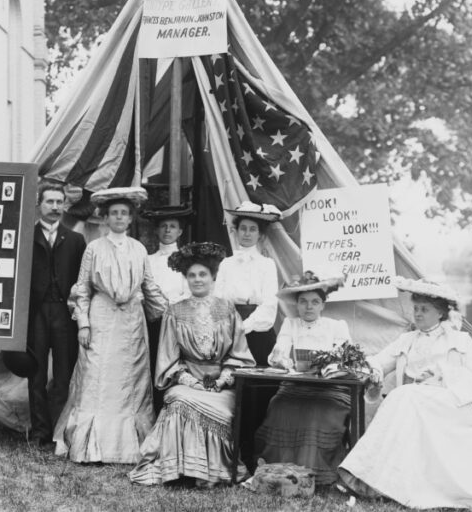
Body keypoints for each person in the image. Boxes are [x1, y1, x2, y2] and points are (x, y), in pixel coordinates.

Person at [338, 278, 472, 512]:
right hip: (414, 402)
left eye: (424, 309)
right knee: (404, 397)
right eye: (415, 308)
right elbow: (379, 361)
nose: (418, 314)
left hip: (450, 404)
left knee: (403, 396)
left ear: (440, 313)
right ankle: (370, 479)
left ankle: (366, 477)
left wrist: (442, 375)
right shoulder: (407, 340)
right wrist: (371, 369)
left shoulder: (459, 340)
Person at [54, 186, 168, 464]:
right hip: (101, 316)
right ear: (105, 218)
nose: (119, 218)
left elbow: (149, 286)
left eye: (124, 214)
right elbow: (82, 288)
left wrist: (170, 315)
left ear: (131, 219)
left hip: (131, 320)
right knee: (96, 376)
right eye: (114, 213)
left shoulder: (139, 248)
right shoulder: (94, 248)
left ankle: (130, 446)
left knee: (129, 379)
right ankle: (89, 445)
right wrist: (83, 324)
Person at [129, 242, 255, 486]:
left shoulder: (227, 309)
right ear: (185, 279)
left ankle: (210, 471)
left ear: (213, 276)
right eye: (192, 275)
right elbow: (168, 358)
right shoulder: (174, 312)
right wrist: (190, 381)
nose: (197, 280)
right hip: (185, 381)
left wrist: (222, 380)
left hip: (220, 384)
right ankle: (181, 469)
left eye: (202, 274)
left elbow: (239, 353)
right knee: (178, 401)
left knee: (221, 409)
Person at [253, 272, 350, 485]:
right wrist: (281, 358)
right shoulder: (290, 324)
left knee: (316, 411)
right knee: (280, 406)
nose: (309, 307)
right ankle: (279, 470)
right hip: (295, 386)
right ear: (297, 304)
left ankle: (318, 472)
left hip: (329, 390)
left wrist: (329, 366)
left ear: (323, 305)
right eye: (303, 302)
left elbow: (345, 358)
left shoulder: (337, 326)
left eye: (315, 302)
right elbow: (281, 348)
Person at [25, 183, 87, 447]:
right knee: (36, 373)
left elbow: (82, 282)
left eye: (59, 202)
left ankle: (60, 430)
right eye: (49, 201)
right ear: (39, 204)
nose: (54, 207)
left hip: (64, 313)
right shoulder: (26, 237)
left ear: (65, 205)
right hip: (37, 313)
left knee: (64, 373)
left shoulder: (75, 240)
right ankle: (39, 430)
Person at [213, 200, 281, 366]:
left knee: (258, 383)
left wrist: (244, 327)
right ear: (235, 231)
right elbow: (217, 300)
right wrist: (229, 327)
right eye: (243, 228)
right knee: (230, 378)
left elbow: (270, 304)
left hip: (259, 333)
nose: (247, 233)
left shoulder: (267, 264)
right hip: (229, 332)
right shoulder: (226, 264)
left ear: (260, 235)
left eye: (252, 229)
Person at [143, 207, 192, 412]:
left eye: (172, 227)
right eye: (163, 226)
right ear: (157, 231)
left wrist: (172, 308)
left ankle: (175, 412)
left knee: (176, 368)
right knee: (154, 367)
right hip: (154, 322)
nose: (167, 230)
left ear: (180, 232)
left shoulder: (187, 260)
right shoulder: (148, 260)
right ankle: (154, 411)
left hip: (178, 322)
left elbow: (189, 292)